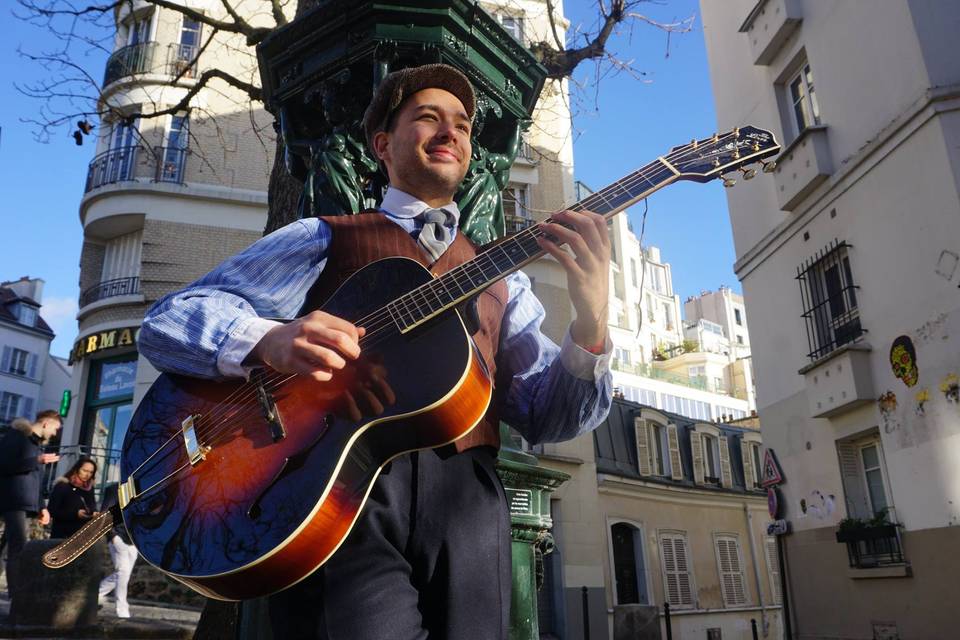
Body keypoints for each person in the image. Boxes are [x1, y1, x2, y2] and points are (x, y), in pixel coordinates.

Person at [138, 63, 613, 640]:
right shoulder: (324, 235)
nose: (451, 133)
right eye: (429, 118)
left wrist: (591, 325)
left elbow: (549, 414)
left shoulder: (507, 284)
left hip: (469, 498)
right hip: (339, 489)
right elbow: (166, 323)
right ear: (383, 145)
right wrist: (267, 339)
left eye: (462, 125)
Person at [0, 410, 61, 592]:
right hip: (12, 499)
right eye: (55, 429)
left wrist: (42, 507)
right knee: (18, 546)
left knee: (7, 546)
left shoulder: (35, 445)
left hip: (22, 501)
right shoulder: (17, 436)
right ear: (45, 423)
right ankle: (16, 594)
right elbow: (4, 465)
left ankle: (14, 594)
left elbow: (36, 481)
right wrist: (36, 460)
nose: (55, 434)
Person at [97, 482, 137, 619]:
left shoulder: (141, 485)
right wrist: (112, 536)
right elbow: (105, 513)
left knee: (122, 574)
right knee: (123, 572)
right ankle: (122, 609)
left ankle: (96, 593)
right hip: (118, 536)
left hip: (134, 539)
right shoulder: (114, 488)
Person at [46, 458, 98, 539]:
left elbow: (92, 505)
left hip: (82, 536)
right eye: (84, 470)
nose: (87, 475)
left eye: (91, 472)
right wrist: (75, 514)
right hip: (62, 535)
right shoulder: (63, 486)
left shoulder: (89, 488)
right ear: (77, 469)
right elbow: (52, 511)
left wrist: (93, 513)